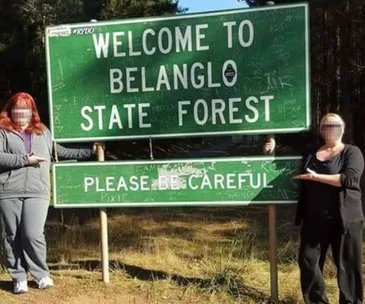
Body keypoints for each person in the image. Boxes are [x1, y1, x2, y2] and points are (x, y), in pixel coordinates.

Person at [0, 92, 100, 294]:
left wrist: (90, 151)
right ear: (11, 110)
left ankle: (40, 274)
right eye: (17, 108)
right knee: (10, 235)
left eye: (26, 108)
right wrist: (25, 160)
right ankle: (18, 277)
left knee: (32, 233)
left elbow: (59, 152)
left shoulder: (42, 132)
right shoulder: (3, 131)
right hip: (8, 191)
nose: (21, 112)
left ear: (32, 111)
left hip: (38, 191)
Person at [293, 113, 364, 304]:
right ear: (322, 129)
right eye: (325, 125)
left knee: (347, 267)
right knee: (308, 262)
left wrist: (316, 177)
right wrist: (271, 144)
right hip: (314, 219)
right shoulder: (311, 152)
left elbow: (349, 179)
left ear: (343, 128)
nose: (329, 128)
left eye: (334, 124)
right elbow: (289, 145)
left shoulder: (351, 152)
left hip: (345, 220)